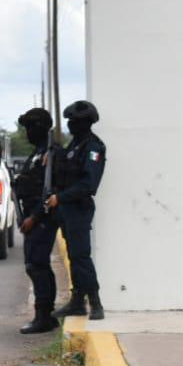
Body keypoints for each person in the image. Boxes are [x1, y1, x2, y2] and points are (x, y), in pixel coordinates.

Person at [48, 100, 106, 321]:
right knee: (74, 256)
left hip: (79, 209)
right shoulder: (74, 145)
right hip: (67, 209)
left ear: (84, 123)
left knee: (81, 256)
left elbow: (88, 185)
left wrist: (59, 198)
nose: (70, 125)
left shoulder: (93, 147)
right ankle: (77, 302)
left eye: (73, 121)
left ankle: (95, 303)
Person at [13, 108, 61, 334]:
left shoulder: (51, 154)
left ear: (39, 128)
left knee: (37, 265)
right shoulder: (38, 153)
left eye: (29, 128)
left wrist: (34, 217)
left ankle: (43, 316)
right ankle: (47, 314)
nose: (27, 133)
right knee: (37, 265)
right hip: (32, 214)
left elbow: (49, 189)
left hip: (41, 217)